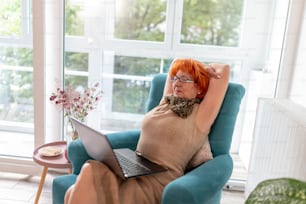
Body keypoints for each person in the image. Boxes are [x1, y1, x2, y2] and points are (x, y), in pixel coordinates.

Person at [64, 58, 230, 204]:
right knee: (74, 188)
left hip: (156, 183)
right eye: (175, 78)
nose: (177, 83)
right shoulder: (166, 102)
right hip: (133, 169)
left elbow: (224, 70)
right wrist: (189, 71)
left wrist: (204, 70)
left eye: (185, 79)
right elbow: (175, 61)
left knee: (85, 177)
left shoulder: (201, 115)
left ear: (199, 88)